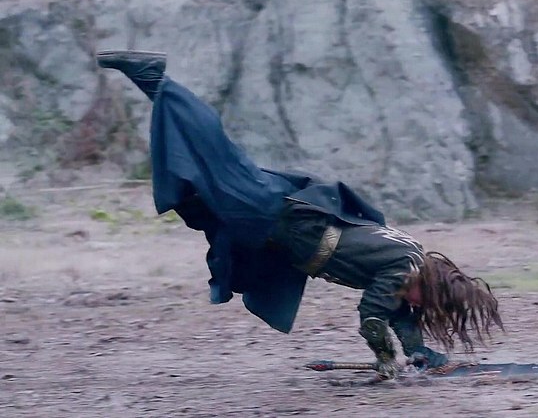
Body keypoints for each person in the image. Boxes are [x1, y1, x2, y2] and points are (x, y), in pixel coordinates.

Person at [95, 50, 504, 378]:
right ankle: (154, 78)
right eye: (427, 304)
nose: (418, 306)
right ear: (430, 290)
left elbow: (397, 312)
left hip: (280, 228)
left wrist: (417, 352)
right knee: (211, 156)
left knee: (199, 189)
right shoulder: (405, 269)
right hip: (273, 215)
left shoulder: (411, 260)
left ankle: (157, 85)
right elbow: (372, 317)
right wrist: (384, 357)